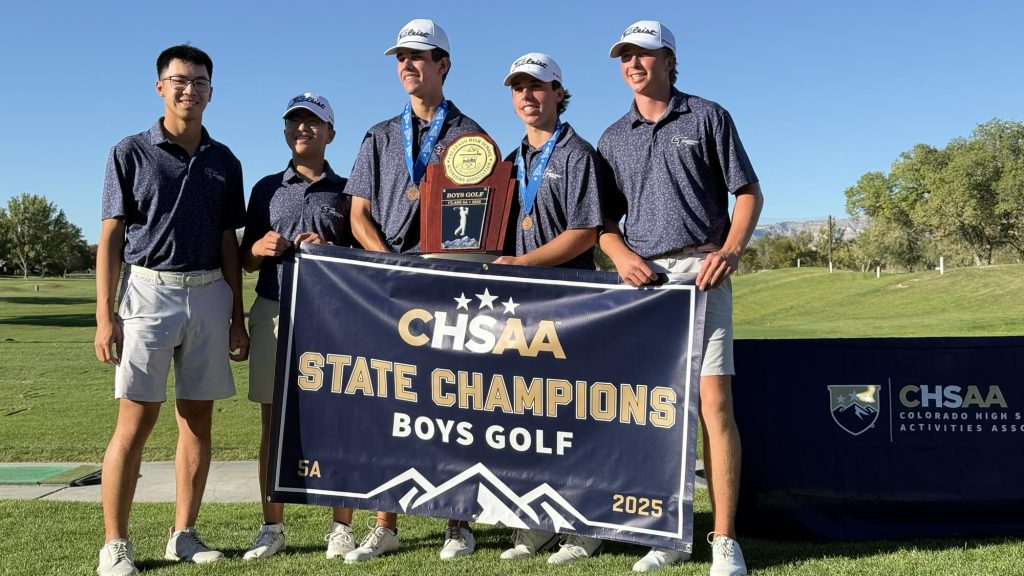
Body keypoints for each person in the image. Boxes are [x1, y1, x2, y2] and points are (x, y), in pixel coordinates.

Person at [597, 20, 763, 576]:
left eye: (644, 55)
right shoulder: (612, 137)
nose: (634, 65)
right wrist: (620, 257)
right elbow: (602, 222)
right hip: (643, 284)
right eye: (626, 57)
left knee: (714, 406)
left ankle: (724, 540)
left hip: (702, 272)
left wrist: (733, 250)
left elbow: (747, 192)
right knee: (654, 413)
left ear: (669, 60)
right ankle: (666, 533)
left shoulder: (708, 116)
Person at [93, 44, 248, 576]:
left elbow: (230, 240)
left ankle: (183, 534)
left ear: (211, 91)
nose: (191, 90)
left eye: (201, 82)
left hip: (210, 292)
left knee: (198, 421)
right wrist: (104, 315)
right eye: (180, 80)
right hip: (148, 291)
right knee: (134, 422)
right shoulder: (130, 151)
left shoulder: (225, 160)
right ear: (160, 86)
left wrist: (237, 315)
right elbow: (111, 236)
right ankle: (115, 543)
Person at [345, 18, 485, 562]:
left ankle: (458, 522)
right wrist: (387, 266)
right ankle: (386, 523)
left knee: (453, 403)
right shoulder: (379, 134)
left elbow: (480, 222)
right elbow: (357, 213)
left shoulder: (470, 134)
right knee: (390, 404)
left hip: (446, 285)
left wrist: (437, 267)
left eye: (419, 56)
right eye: (400, 57)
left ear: (443, 65)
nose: (407, 65)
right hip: (388, 284)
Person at [492, 52, 604, 563]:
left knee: (572, 418)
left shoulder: (577, 154)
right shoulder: (507, 162)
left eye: (537, 87)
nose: (527, 96)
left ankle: (582, 525)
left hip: (571, 302)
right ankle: (534, 522)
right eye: (518, 88)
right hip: (521, 308)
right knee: (527, 417)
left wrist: (524, 264)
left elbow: (586, 233)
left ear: (559, 93)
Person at [238, 93, 357, 561]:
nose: (302, 129)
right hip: (273, 309)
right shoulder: (266, 188)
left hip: (330, 317)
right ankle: (272, 526)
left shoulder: (348, 190)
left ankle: (341, 526)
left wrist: (329, 249)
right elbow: (245, 260)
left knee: (339, 419)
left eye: (313, 123)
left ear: (330, 132)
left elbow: (362, 259)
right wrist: (261, 248)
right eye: (294, 122)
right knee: (273, 422)